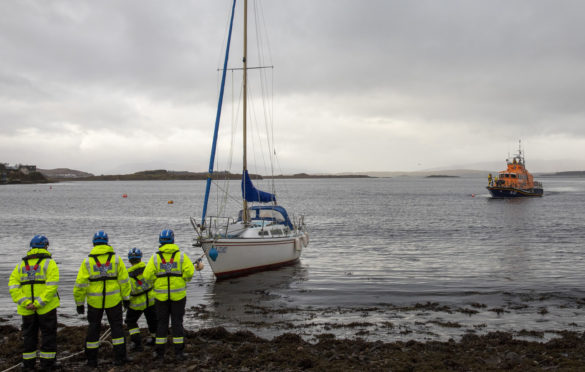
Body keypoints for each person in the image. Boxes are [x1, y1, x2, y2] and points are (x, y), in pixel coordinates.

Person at [73, 230, 132, 367]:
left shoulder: (87, 261)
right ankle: (120, 358)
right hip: (114, 300)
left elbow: (80, 285)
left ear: (94, 243)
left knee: (93, 329)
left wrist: (79, 303)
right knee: (117, 328)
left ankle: (91, 360)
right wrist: (126, 298)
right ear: (107, 242)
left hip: (94, 302)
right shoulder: (116, 259)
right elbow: (124, 281)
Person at [8, 235, 60, 370]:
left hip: (26, 309)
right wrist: (38, 303)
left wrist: (25, 302)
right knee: (48, 335)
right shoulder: (50, 263)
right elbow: (52, 286)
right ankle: (47, 365)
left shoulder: (21, 265)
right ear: (45, 246)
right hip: (46, 308)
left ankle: (28, 365)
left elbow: (13, 286)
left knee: (29, 337)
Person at [144, 229, 194, 361]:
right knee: (177, 323)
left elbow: (147, 276)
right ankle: (179, 353)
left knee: (161, 324)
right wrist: (183, 278)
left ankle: (159, 353)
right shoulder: (181, 256)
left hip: (161, 297)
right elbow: (189, 272)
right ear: (173, 239)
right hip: (178, 296)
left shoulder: (155, 258)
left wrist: (156, 281)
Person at [125, 247, 157, 352]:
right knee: (152, 321)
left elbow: (126, 291)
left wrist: (124, 302)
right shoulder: (148, 269)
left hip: (136, 303)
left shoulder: (127, 275)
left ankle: (136, 342)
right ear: (141, 258)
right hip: (151, 300)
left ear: (129, 260)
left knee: (130, 321)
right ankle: (155, 339)